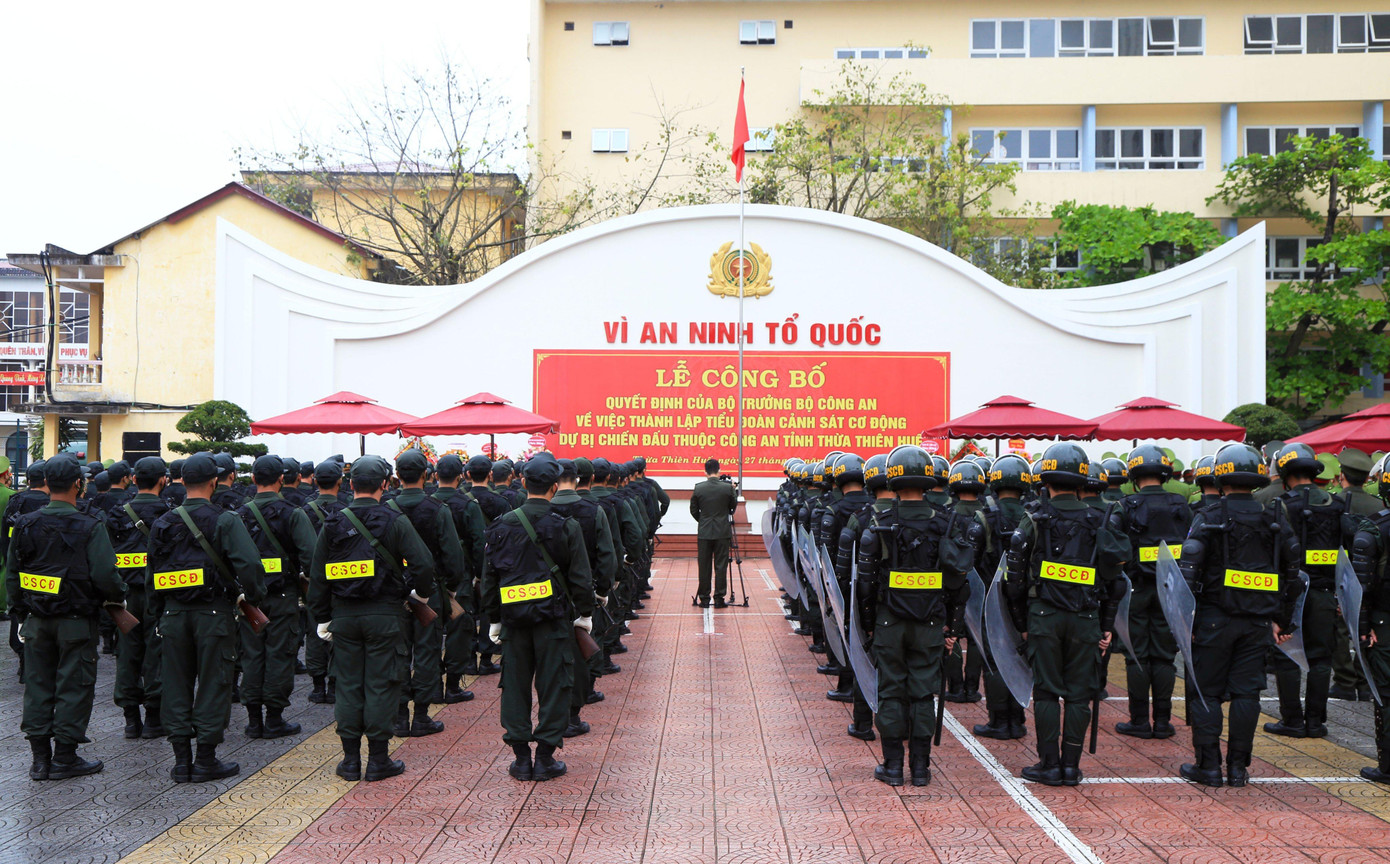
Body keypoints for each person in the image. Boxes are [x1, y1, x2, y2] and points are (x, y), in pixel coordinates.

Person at [1004, 443, 1127, 786]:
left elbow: (1013, 581)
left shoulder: (1033, 519)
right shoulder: (1099, 520)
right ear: (1081, 479)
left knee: (1045, 692)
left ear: (1045, 479)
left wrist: (1020, 624)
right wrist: (1106, 626)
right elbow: (1115, 581)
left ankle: (1049, 764)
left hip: (1043, 616)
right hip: (1086, 618)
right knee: (1079, 693)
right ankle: (1071, 767)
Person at [1179, 442, 1301, 787]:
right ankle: (1237, 769)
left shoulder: (1209, 515)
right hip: (1257, 620)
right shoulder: (1273, 516)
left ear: (1220, 477)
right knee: (1247, 693)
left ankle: (1207, 767)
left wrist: (1184, 620)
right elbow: (1293, 572)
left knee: (1207, 691)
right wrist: (1283, 618)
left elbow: (1188, 569)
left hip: (1213, 618)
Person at [856, 445, 978, 787]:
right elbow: (959, 583)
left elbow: (865, 585)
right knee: (924, 693)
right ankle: (921, 769)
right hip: (930, 623)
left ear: (892, 479)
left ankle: (893, 767)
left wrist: (867, 627)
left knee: (892, 691)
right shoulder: (946, 523)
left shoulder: (878, 523)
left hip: (888, 622)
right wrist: (952, 627)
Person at [309, 454, 434, 782]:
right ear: (385, 484)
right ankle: (378, 760)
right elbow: (423, 564)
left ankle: (350, 761)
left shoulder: (333, 522)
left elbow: (318, 575)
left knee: (348, 685)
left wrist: (322, 617)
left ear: (349, 485)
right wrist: (419, 597)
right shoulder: (395, 520)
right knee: (382, 684)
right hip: (385, 615)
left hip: (344, 617)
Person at [148, 452, 267, 783]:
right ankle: (205, 759)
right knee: (214, 683)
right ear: (215, 482)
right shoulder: (225, 520)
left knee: (175, 683)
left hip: (173, 616)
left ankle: (180, 761)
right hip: (213, 615)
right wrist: (253, 598)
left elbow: (151, 576)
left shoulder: (162, 522)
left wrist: (158, 614)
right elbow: (251, 566)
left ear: (182, 482)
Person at [7, 454, 125, 780]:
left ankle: (39, 760)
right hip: (76, 621)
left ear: (46, 483)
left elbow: (13, 575)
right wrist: (116, 598)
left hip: (35, 621)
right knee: (74, 686)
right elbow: (106, 575)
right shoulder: (90, 525)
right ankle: (65, 757)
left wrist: (20, 610)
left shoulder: (25, 523)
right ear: (78, 483)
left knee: (38, 684)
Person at [480, 453, 593, 782]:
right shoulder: (564, 525)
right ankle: (544, 757)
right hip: (553, 621)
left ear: (525, 484)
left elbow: (490, 579)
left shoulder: (500, 526)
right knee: (555, 685)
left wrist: (493, 619)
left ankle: (520, 758)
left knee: (514, 686)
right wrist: (584, 614)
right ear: (555, 487)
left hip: (513, 622)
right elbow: (580, 578)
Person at [1266, 442, 1355, 739]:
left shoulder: (1279, 506)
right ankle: (1316, 722)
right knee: (1320, 659)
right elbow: (1349, 556)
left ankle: (1292, 720)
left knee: (1286, 654)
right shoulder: (1338, 505)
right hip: (1325, 593)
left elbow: (1272, 556)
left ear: (1284, 471)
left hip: (1289, 593)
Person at [1110, 444, 1191, 741]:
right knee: (1164, 656)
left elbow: (1113, 549)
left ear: (1133, 474)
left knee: (1137, 656)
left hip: (1136, 591)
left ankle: (1140, 721)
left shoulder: (1125, 506)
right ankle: (1163, 722)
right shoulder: (1181, 505)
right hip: (1171, 591)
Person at [388, 449, 469, 738]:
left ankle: (399, 716)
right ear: (426, 475)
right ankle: (421, 716)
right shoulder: (437, 509)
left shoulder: (387, 508)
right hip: (430, 589)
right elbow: (453, 556)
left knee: (397, 653)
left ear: (397, 476)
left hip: (394, 592)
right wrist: (450, 587)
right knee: (427, 650)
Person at [237, 456, 316, 740]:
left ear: (253, 479)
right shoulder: (293, 513)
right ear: (281, 479)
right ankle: (274, 718)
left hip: (248, 599)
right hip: (283, 597)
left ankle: (253, 720)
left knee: (252, 654)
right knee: (280, 655)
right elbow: (312, 556)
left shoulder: (238, 515)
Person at [104, 456, 171, 739]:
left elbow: (106, 559)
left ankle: (131, 720)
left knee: (127, 654)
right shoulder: (171, 515)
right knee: (156, 654)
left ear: (133, 480)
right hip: (159, 596)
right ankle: (154, 719)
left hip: (126, 599)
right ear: (163, 481)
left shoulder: (117, 514)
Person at [550, 458, 617, 737]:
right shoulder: (593, 510)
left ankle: (554, 714)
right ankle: (573, 714)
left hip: (546, 598)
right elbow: (606, 555)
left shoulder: (542, 511)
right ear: (577, 480)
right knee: (579, 655)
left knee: (551, 658)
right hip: (583, 593)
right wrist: (602, 592)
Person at [972, 454, 1030, 741]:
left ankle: (998, 722)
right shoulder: (1032, 516)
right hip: (1024, 600)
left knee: (994, 660)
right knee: (1019, 656)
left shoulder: (984, 517)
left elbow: (970, 560)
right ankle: (1018, 720)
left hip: (991, 599)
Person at [432, 454, 485, 702]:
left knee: (429, 633)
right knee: (458, 631)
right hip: (461, 576)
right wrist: (480, 575)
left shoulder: (427, 503)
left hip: (430, 577)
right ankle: (452, 685)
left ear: (434, 476)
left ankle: (431, 687)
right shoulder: (468, 505)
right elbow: (478, 543)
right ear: (461, 476)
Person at [820, 454, 873, 703]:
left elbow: (826, 551)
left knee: (846, 633)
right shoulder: (873, 509)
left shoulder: (834, 510)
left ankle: (846, 685)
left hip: (844, 582)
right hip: (871, 583)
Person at [1350, 479, 1390, 782]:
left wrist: (1362, 631)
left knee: (1386, 694)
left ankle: (1388, 766)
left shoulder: (1375, 528)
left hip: (1384, 622)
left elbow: (1360, 586)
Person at [942, 460, 991, 705]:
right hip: (983, 585)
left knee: (952, 633)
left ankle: (955, 687)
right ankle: (972, 689)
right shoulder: (990, 513)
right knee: (975, 638)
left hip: (953, 584)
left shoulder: (947, 514)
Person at [1333, 447, 1377, 701]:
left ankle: (1345, 681)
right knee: (1367, 626)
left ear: (1342, 476)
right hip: (1372, 575)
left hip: (1343, 572)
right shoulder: (1377, 503)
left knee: (1340, 628)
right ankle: (1364, 679)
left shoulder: (1336, 502)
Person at [302, 459, 346, 705]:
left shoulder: (303, 510)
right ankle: (335, 684)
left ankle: (318, 686)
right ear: (340, 481)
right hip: (342, 579)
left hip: (313, 579)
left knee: (315, 629)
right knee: (338, 629)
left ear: (315, 481)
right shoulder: (347, 509)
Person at [3, 460, 48, 679]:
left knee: (20, 614)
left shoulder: (16, 501)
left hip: (22, 568)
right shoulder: (53, 502)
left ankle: (23, 659)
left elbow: (7, 538)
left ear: (29, 480)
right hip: (50, 569)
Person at [690, 459, 738, 608]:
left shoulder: (699, 488)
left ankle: (704, 599)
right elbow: (732, 507)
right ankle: (719, 599)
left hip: (704, 532)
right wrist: (733, 490)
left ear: (705, 472)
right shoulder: (727, 488)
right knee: (721, 565)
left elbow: (693, 510)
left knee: (704, 566)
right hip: (722, 531)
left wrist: (703, 521)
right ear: (719, 470)